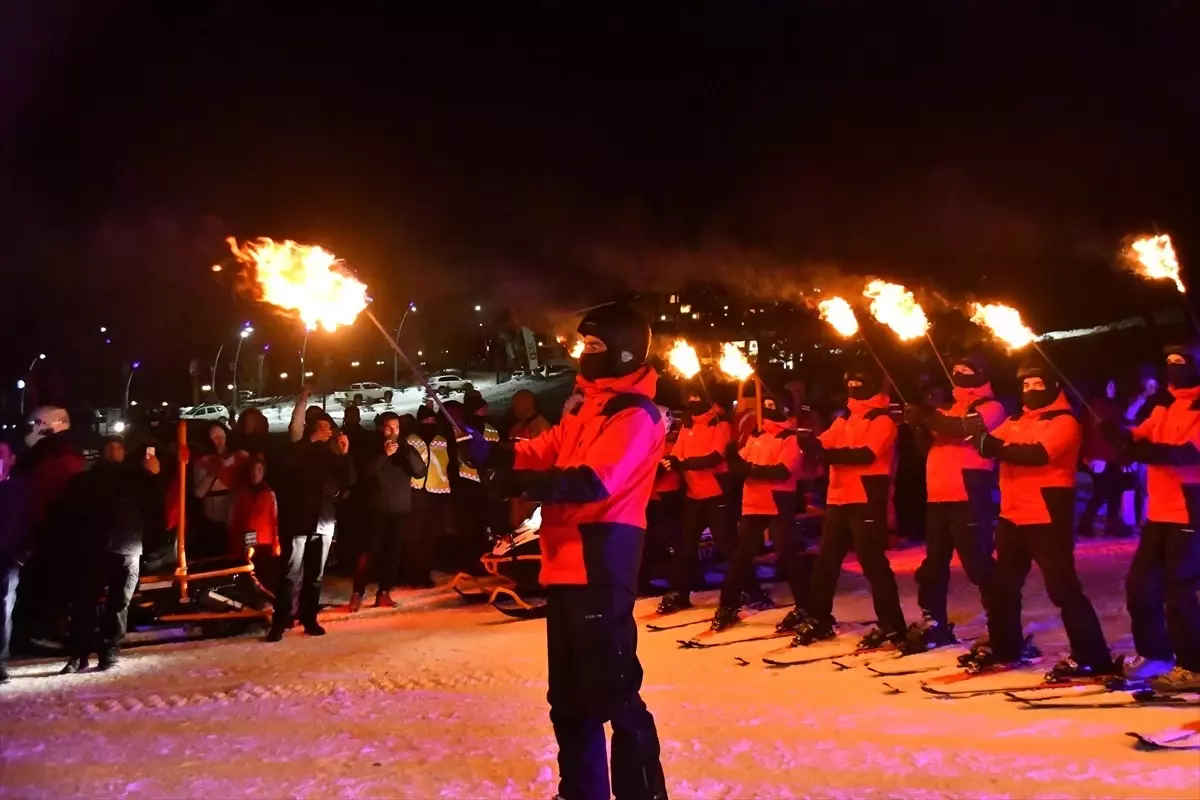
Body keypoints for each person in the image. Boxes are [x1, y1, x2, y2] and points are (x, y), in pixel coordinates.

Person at [461, 302, 667, 800]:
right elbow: (547, 448)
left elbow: (592, 481)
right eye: (584, 345)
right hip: (565, 562)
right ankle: (582, 791)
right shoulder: (586, 403)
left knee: (615, 694)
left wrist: (512, 482)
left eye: (595, 347)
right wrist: (493, 450)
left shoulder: (634, 415)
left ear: (623, 352)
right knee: (569, 699)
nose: (585, 354)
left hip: (602, 559)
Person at [962, 361, 1118, 680]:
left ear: (1054, 387)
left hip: (1047, 515)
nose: (1031, 391)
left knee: (1062, 589)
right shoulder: (1017, 420)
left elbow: (1038, 454)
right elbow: (991, 445)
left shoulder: (1064, 422)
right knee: (1003, 586)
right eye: (1026, 386)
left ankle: (1092, 656)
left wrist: (993, 445)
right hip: (1012, 515)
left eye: (1038, 385)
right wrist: (976, 431)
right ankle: (1007, 646)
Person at [792, 361, 907, 649]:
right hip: (839, 497)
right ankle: (818, 617)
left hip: (866, 499)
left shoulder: (882, 420)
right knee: (826, 562)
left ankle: (892, 623)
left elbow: (864, 456)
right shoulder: (843, 419)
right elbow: (822, 443)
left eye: (860, 383)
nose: (854, 388)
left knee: (873, 563)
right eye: (850, 383)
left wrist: (826, 453)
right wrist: (806, 440)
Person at [1107, 344, 1200, 691]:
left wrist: (1141, 450)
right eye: (1169, 363)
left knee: (1180, 591)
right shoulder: (1166, 403)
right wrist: (1120, 434)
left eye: (1182, 362)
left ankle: (1194, 664)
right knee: (1141, 584)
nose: (1174, 368)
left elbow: (1187, 454)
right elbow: (1143, 433)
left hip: (1191, 508)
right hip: (1160, 511)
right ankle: (1156, 653)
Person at [902, 355, 1006, 652]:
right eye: (956, 371)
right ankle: (934, 621)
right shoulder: (950, 407)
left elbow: (961, 429)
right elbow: (931, 442)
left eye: (966, 370)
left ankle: (1001, 623)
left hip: (969, 495)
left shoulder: (992, 407)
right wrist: (917, 425)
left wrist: (926, 416)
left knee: (979, 564)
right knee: (933, 566)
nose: (959, 375)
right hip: (938, 496)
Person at [711, 392, 811, 633]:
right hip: (752, 503)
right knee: (740, 555)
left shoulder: (791, 439)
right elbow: (739, 467)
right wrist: (733, 455)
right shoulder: (756, 436)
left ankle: (806, 606)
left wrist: (749, 469)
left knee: (786, 554)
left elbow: (782, 471)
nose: (768, 410)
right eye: (765, 406)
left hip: (778, 502)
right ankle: (728, 605)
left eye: (772, 405)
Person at [61, 437, 162, 673]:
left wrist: (154, 476)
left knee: (118, 603)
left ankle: (109, 651)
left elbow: (154, 505)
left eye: (118, 447)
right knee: (84, 603)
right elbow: (71, 516)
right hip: (94, 549)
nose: (114, 451)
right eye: (109, 446)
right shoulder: (85, 481)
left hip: (127, 548)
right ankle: (79, 653)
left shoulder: (136, 478)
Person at [267, 413, 354, 641]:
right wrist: (311, 441)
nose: (327, 431)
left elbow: (350, 480)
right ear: (311, 429)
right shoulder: (297, 449)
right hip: (297, 521)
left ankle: (309, 618)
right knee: (290, 573)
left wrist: (344, 454)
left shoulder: (332, 455)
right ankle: (281, 621)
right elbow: (284, 466)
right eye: (322, 427)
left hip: (323, 521)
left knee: (315, 575)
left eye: (329, 427)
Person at [656, 387, 731, 614]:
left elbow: (714, 458)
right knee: (685, 545)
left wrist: (683, 463)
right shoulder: (687, 427)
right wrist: (669, 462)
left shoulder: (720, 424)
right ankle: (679, 591)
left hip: (716, 494)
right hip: (694, 494)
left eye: (697, 397)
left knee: (727, 545)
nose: (693, 401)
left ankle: (747, 588)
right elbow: (678, 454)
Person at [349, 412, 426, 611]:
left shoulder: (406, 448)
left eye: (396, 428)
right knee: (369, 551)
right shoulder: (371, 447)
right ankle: (358, 592)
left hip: (400, 508)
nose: (393, 432)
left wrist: (406, 453)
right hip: (376, 508)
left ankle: (384, 592)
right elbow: (365, 472)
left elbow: (420, 471)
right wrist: (384, 455)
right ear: (380, 428)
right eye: (388, 428)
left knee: (392, 553)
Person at [405, 405, 454, 588]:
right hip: (415, 492)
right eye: (426, 420)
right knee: (415, 537)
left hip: (438, 493)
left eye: (432, 420)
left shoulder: (443, 439)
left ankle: (424, 573)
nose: (429, 423)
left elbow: (451, 464)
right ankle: (414, 573)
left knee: (431, 537)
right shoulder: (411, 440)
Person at [454, 390, 501, 571]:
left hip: (472, 483)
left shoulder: (462, 429)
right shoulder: (487, 429)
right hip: (481, 483)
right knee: (484, 526)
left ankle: (474, 563)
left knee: (473, 527)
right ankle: (482, 563)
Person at [1078, 379, 1131, 538]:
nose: (1113, 389)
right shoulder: (1097, 406)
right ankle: (1086, 525)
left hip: (1113, 457)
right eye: (1110, 385)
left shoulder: (1112, 405)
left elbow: (1119, 428)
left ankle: (1111, 525)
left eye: (1114, 385)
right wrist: (1092, 456)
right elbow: (1094, 434)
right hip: (1101, 457)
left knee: (1115, 491)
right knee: (1101, 492)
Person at [0, 439, 29, 684]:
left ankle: (0, 661)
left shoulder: (18, 489)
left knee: (2, 611)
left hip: (6, 560)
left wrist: (21, 554)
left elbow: (29, 521)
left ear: (12, 459)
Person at [229, 454, 280, 590]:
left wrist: (276, 544)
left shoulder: (269, 494)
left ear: (263, 472)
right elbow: (235, 519)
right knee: (246, 576)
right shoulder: (241, 493)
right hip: (245, 541)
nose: (255, 473)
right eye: (253, 470)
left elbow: (275, 520)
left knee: (265, 576)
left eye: (258, 470)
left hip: (264, 542)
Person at [192, 422, 239, 557]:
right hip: (212, 519)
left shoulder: (236, 458)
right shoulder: (202, 462)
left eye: (222, 436)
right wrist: (213, 473)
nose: (219, 441)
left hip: (233, 517)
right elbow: (198, 493)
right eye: (214, 437)